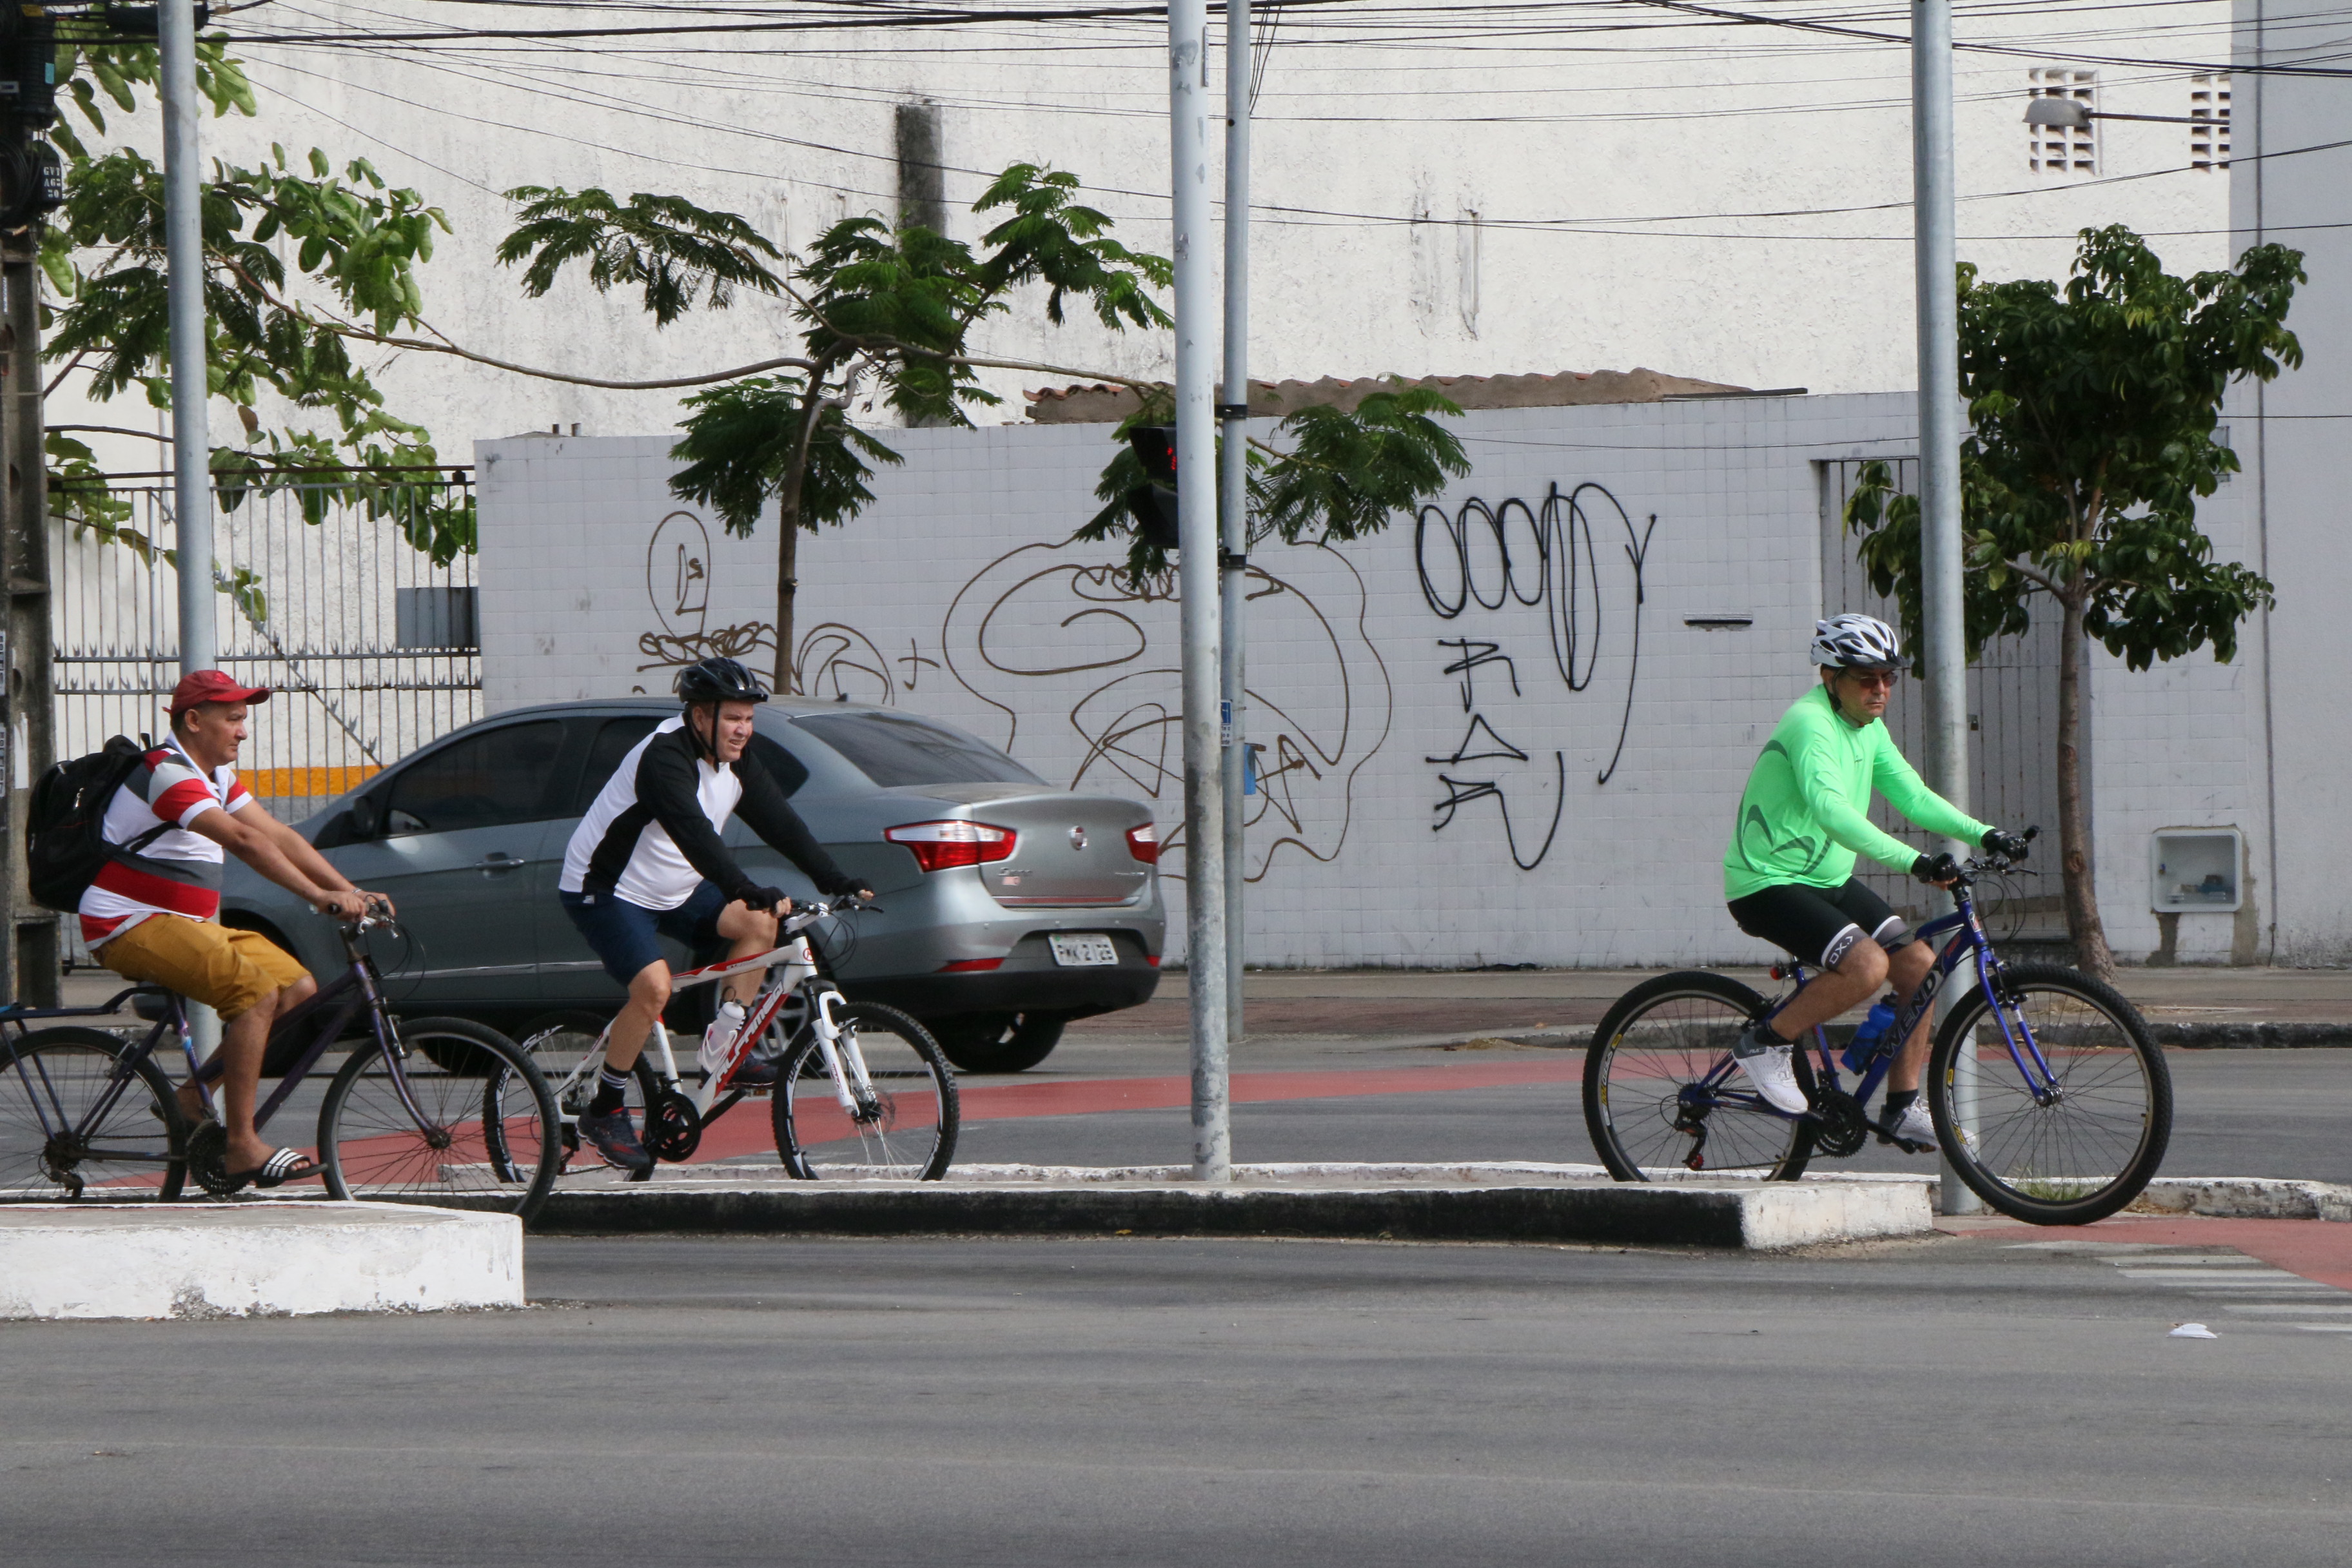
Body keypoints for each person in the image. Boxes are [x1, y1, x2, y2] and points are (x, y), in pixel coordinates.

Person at [1721, 614, 2029, 1145]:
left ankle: (1901, 1106)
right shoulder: (1810, 725)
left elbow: (1912, 797)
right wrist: (1917, 862)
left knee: (1918, 968)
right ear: (1830, 677)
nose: (1881, 689)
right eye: (1867, 678)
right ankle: (1764, 1043)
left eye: (1888, 677)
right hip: (1767, 882)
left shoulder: (1868, 727)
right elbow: (1834, 813)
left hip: (1827, 879)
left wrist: (1986, 834)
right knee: (1866, 967)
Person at [557, 656, 872, 1172]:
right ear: (700, 717)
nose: (743, 729)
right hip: (608, 889)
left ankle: (727, 1045)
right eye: (733, 718)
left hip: (676, 889)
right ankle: (605, 1107)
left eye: (749, 718)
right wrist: (745, 886)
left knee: (759, 924)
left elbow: (783, 824)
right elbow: (695, 835)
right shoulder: (664, 758)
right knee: (654, 988)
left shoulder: (736, 759)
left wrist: (836, 879)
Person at [81, 671, 390, 1188]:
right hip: (128, 921)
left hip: (187, 925)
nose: (242, 731)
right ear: (195, 721)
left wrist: (351, 891)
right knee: (253, 994)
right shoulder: (167, 772)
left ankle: (187, 1099)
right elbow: (245, 841)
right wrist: (318, 898)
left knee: (298, 989)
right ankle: (241, 1145)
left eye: (244, 719)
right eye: (233, 719)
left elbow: (277, 835)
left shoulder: (215, 778)